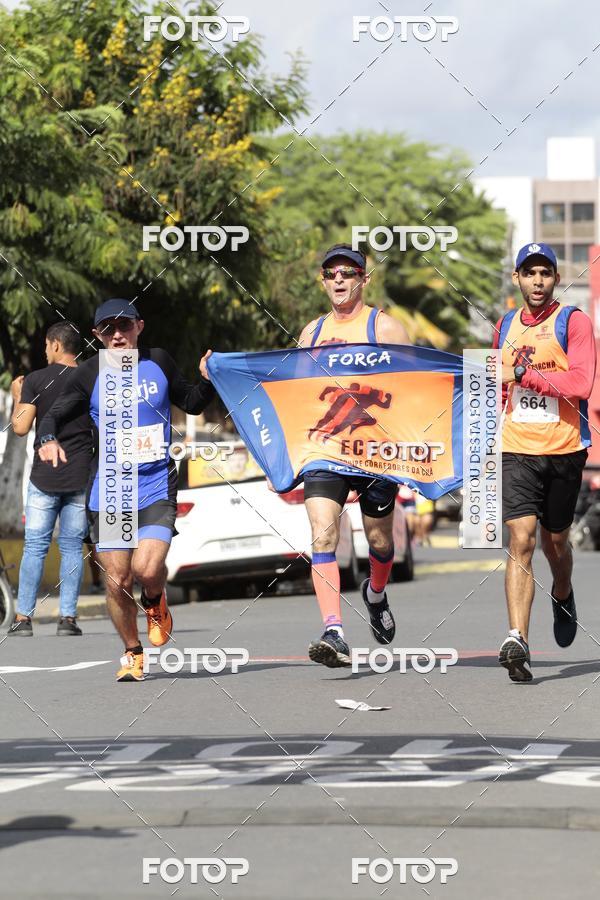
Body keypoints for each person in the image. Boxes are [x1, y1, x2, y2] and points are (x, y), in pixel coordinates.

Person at [37, 299, 214, 681]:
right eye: (108, 329)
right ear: (97, 335)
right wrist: (47, 439)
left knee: (146, 568)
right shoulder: (89, 373)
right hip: (111, 489)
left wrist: (208, 379)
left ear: (139, 326)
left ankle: (155, 598)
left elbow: (193, 403)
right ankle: (132, 652)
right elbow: (53, 415)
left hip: (154, 483)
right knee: (118, 580)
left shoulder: (159, 361)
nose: (118, 335)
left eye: (125, 326)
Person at [297, 243, 410, 668]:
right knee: (322, 534)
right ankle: (335, 632)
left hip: (376, 451)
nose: (339, 279)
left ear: (364, 279)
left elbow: (417, 390)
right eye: (332, 273)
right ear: (323, 282)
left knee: (379, 540)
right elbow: (296, 397)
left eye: (348, 272)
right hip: (325, 449)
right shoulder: (311, 334)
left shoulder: (386, 329)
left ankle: (376, 593)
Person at [494, 243, 596, 682]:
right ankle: (517, 639)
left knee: (555, 543)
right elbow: (495, 386)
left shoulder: (573, 322)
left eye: (545, 273)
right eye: (529, 273)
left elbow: (581, 383)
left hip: (564, 449)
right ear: (517, 278)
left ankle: (563, 590)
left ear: (555, 279)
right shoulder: (504, 326)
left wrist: (524, 375)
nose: (537, 281)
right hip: (516, 448)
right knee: (520, 539)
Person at [9, 322, 93, 637]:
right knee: (71, 546)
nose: (45, 351)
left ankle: (23, 619)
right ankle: (67, 619)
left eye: (46, 345)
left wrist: (18, 396)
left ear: (55, 345)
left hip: (44, 476)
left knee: (34, 546)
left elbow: (20, 428)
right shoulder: (91, 377)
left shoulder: (36, 380)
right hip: (80, 474)